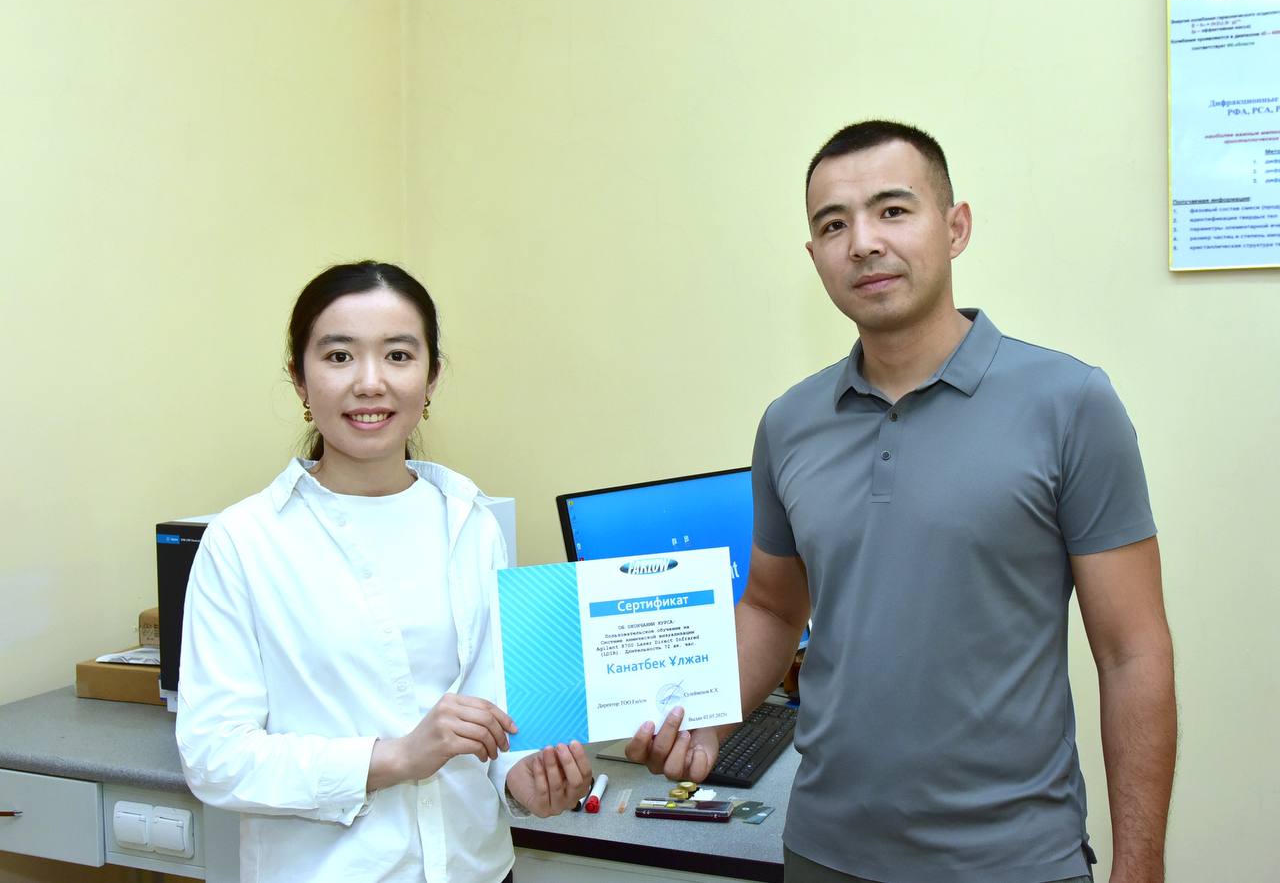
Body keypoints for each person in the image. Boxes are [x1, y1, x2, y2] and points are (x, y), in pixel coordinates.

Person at [627, 122, 1176, 883]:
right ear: (814, 256)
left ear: (956, 228)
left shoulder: (1070, 403)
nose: (862, 242)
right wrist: (707, 722)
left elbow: (1131, 652)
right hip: (823, 850)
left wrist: (1140, 865)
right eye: (833, 225)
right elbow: (773, 608)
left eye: (892, 210)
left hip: (1014, 859)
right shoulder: (789, 423)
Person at [177, 261, 592, 883]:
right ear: (300, 379)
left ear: (431, 377)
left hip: (477, 872)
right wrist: (395, 758)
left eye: (398, 356)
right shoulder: (243, 542)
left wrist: (522, 777)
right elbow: (215, 757)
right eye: (339, 356)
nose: (370, 383)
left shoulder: (471, 523)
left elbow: (495, 708)